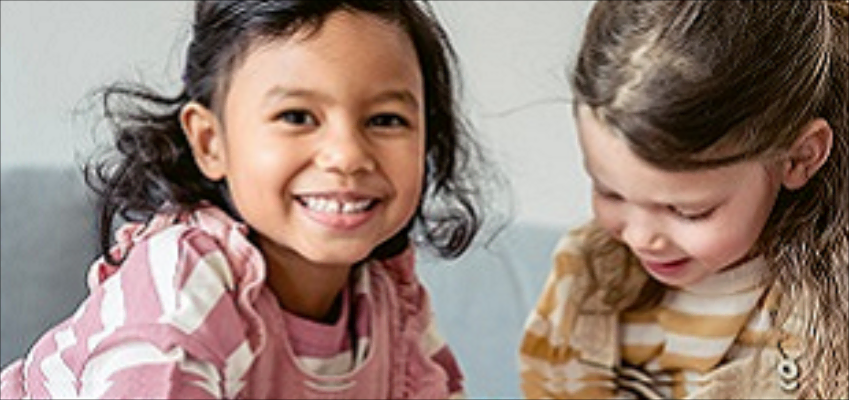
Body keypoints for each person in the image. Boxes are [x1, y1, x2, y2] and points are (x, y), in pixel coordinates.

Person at [0, 1, 494, 398]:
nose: (347, 155)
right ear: (211, 142)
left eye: (386, 120)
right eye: (297, 117)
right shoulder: (184, 283)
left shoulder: (392, 301)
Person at [519, 1, 848, 398]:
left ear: (798, 158)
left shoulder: (827, 313)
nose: (641, 237)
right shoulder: (586, 275)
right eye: (609, 192)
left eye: (688, 211)